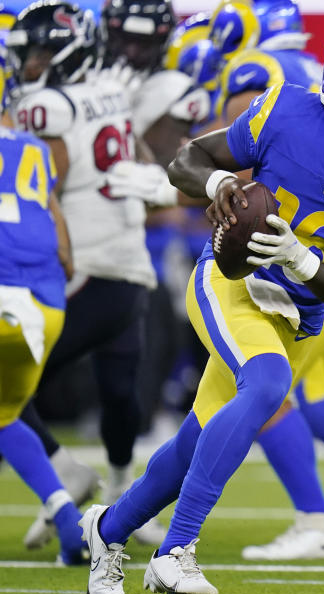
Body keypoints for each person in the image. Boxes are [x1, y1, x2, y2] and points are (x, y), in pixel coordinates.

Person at [79, 22, 324, 594]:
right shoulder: (285, 112)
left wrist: (302, 262)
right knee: (268, 385)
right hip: (234, 279)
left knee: (197, 441)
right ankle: (176, 551)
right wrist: (221, 181)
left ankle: (107, 531)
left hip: (302, 309)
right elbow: (187, 159)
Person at [8, 0, 159, 545]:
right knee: (120, 389)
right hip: (129, 265)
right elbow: (138, 157)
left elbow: (39, 189)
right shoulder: (110, 92)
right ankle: (124, 500)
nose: (29, 66)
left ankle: (62, 473)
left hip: (84, 266)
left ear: (63, 54)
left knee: (8, 379)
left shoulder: (46, 106)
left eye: (40, 53)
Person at [0, 46, 86, 564]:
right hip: (47, 302)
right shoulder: (32, 148)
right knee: (4, 414)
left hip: (4, 295)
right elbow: (63, 248)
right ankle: (65, 514)